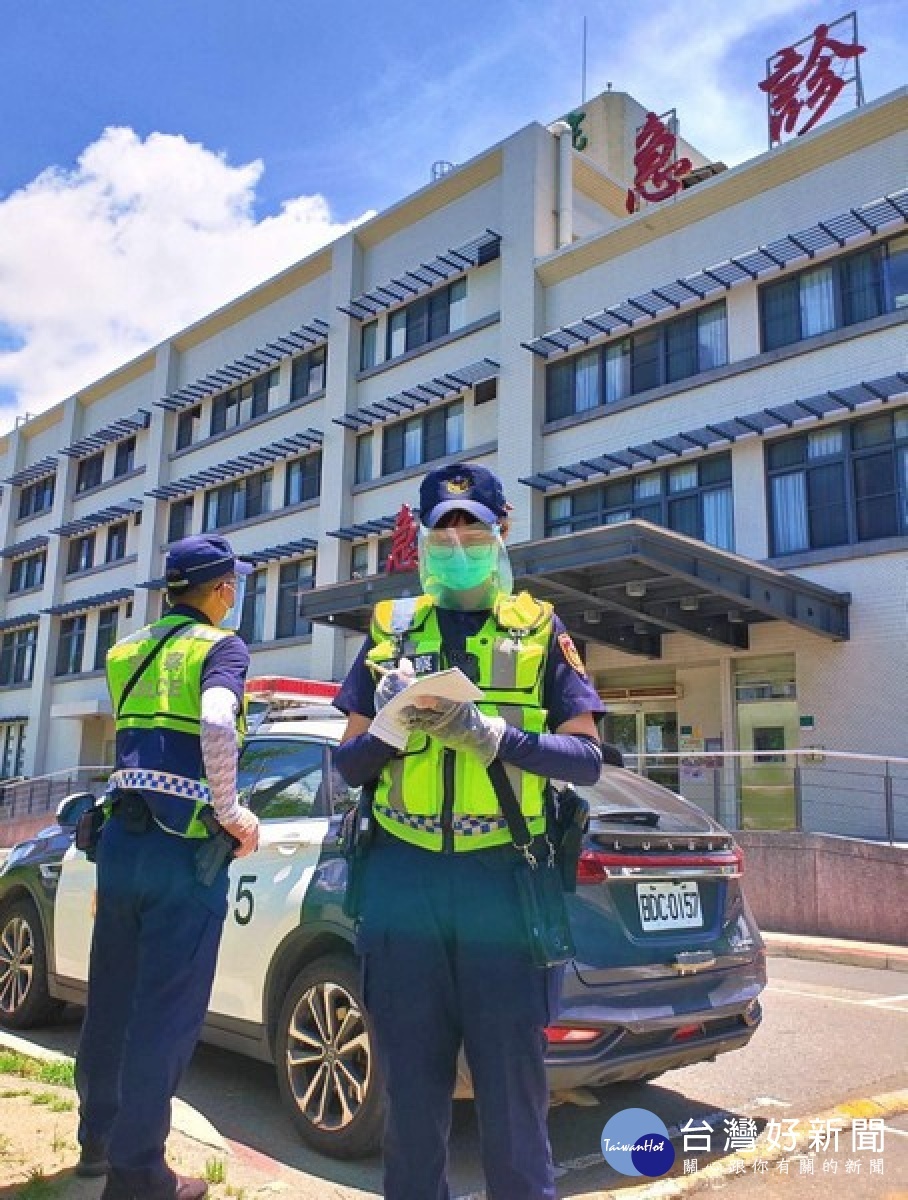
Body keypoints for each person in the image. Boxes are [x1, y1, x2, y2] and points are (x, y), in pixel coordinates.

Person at [334, 463, 606, 1200]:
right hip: (401, 882)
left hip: (503, 883)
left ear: (501, 533)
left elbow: (587, 760)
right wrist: (387, 728)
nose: (459, 541)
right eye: (444, 528)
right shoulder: (390, 631)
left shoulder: (542, 629)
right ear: (422, 541)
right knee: (412, 1101)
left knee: (514, 1103)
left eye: (473, 528)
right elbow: (347, 767)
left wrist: (496, 737)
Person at [75, 534, 261, 1200]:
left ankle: (96, 1142)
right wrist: (233, 811)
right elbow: (216, 721)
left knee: (113, 1000)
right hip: (185, 852)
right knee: (166, 1012)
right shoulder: (223, 647)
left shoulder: (125, 650)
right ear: (222, 591)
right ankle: (139, 1174)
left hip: (121, 844)